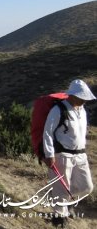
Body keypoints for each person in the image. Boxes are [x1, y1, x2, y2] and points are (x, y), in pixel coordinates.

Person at [43, 79, 95, 226]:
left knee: (87, 187)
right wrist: (49, 154)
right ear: (72, 95)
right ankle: (59, 218)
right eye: (81, 97)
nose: (84, 100)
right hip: (62, 155)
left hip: (80, 155)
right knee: (61, 187)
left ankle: (65, 202)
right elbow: (47, 132)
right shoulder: (58, 110)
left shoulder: (82, 110)